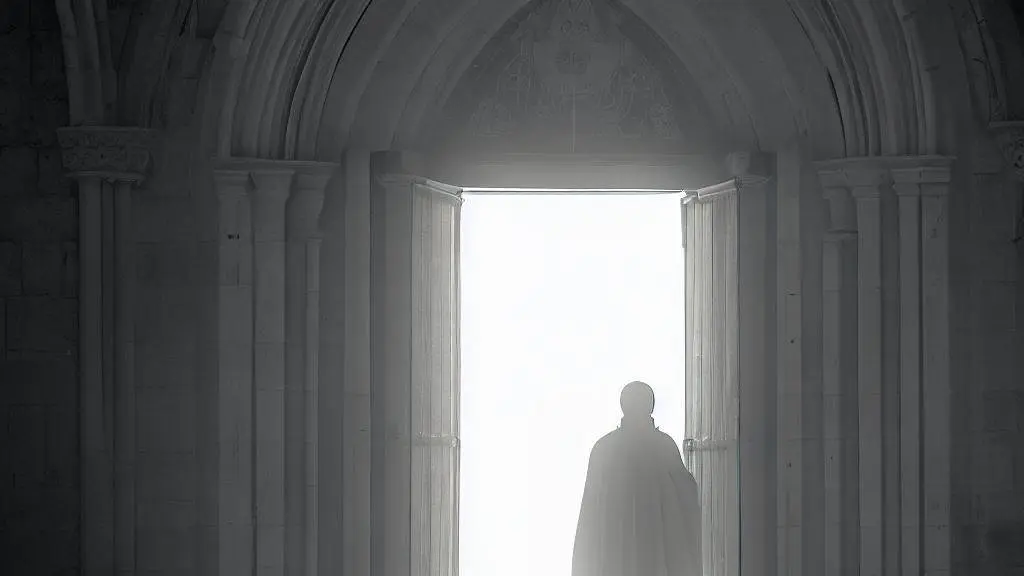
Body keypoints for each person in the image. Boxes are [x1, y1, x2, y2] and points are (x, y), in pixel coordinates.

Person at [571, 381, 701, 576]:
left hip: (614, 556)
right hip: (657, 555)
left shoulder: (604, 449)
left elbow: (589, 517)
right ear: (651, 405)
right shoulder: (663, 446)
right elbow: (688, 500)